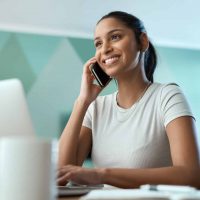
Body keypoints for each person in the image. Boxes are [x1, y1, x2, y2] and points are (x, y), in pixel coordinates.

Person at [57, 11, 200, 188]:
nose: (105, 49)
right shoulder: (95, 108)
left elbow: (191, 175)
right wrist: (82, 101)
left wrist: (101, 175)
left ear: (143, 41)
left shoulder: (167, 96)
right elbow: (62, 175)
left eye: (115, 37)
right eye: (98, 43)